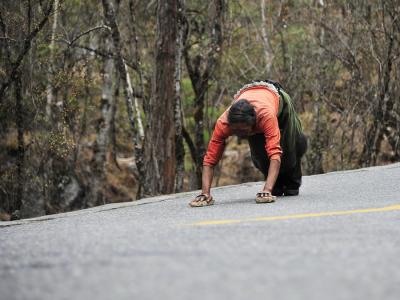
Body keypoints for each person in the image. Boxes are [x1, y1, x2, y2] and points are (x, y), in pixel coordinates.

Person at [189, 80, 307, 207]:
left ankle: (292, 181)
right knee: (259, 157)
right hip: (252, 103)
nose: (239, 134)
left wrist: (266, 190)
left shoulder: (265, 116)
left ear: (253, 123)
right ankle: (275, 184)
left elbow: (275, 154)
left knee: (289, 147)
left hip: (279, 102)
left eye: (243, 130)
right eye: (236, 131)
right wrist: (205, 194)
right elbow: (210, 160)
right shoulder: (223, 124)